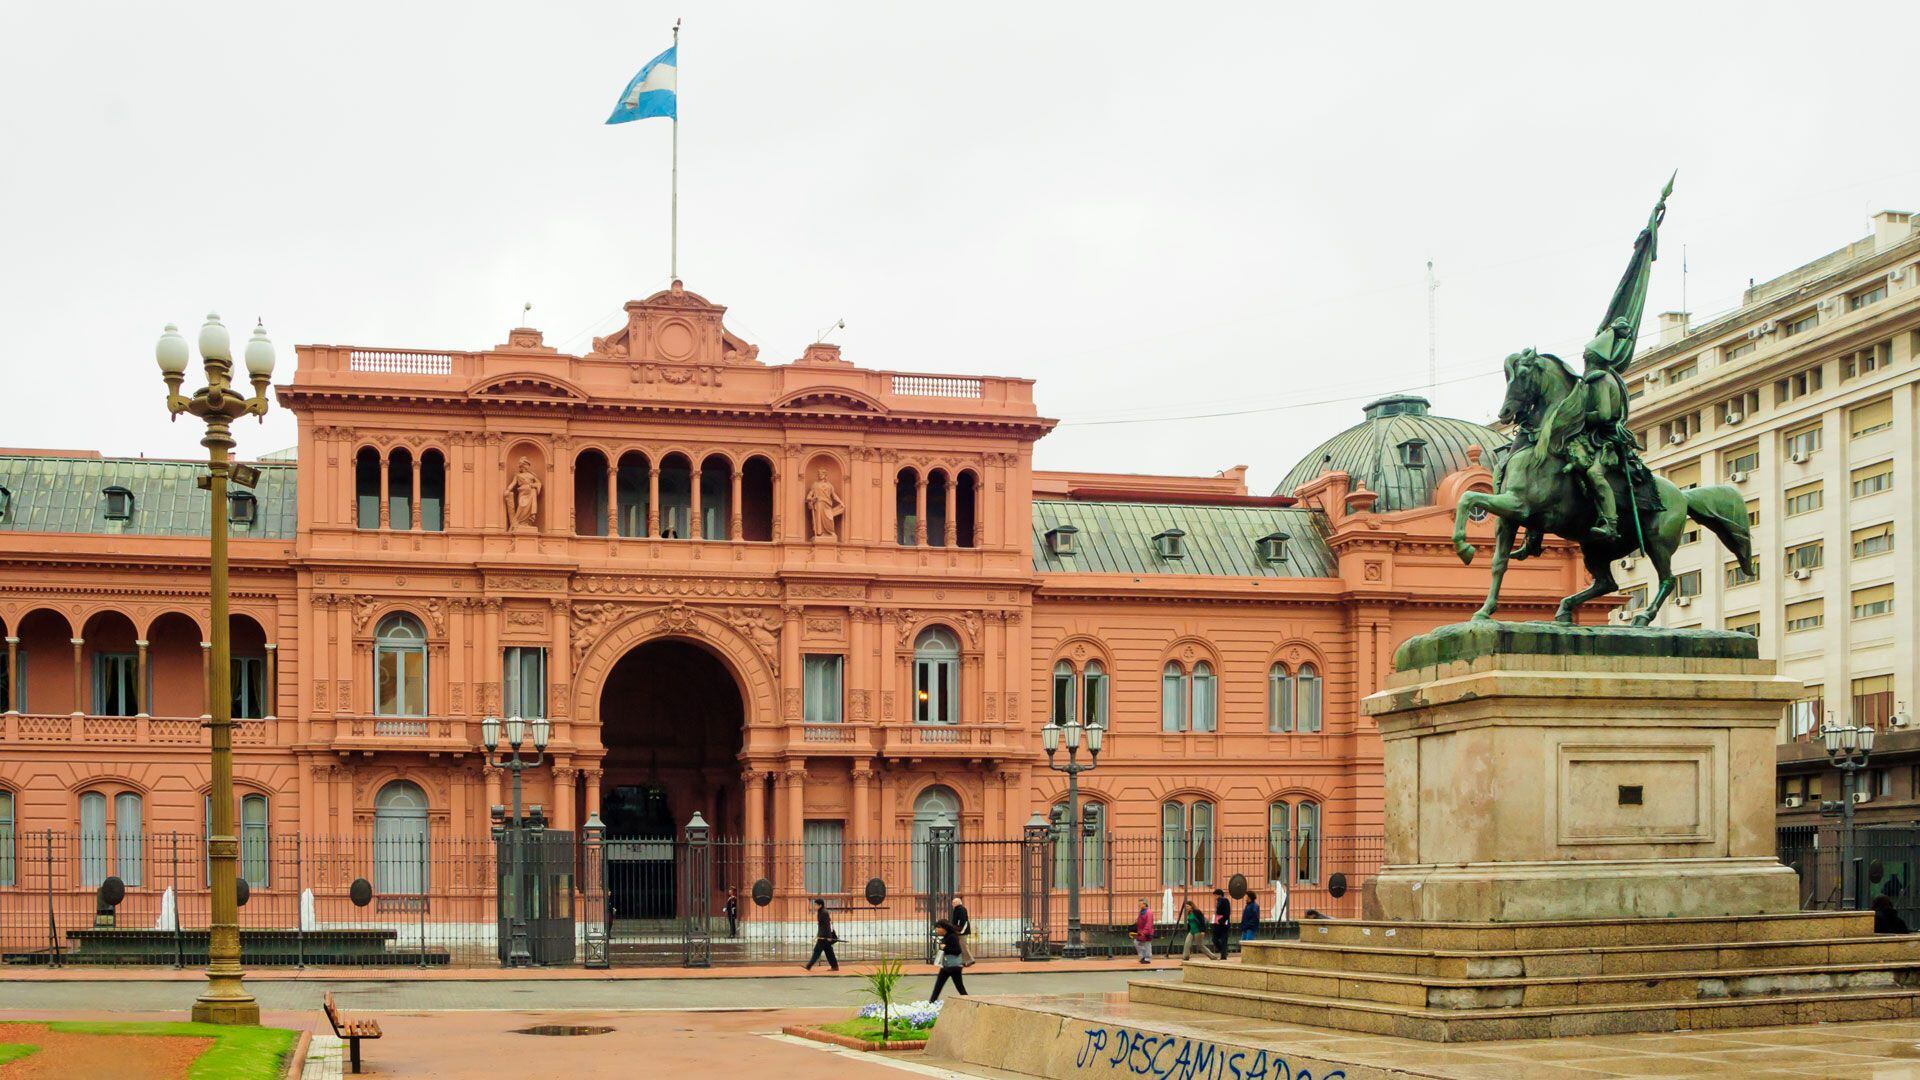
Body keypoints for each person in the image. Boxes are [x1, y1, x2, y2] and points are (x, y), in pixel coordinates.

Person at [930, 918, 969, 1001]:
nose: (936, 929)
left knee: (960, 988)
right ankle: (931, 1002)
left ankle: (970, 1002)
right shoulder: (947, 936)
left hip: (954, 967)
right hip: (947, 966)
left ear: (944, 928)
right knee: (938, 986)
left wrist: (945, 948)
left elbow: (957, 951)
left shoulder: (952, 936)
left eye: (938, 927)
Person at [804, 898, 839, 971]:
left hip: (824, 937)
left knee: (817, 951)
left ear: (820, 905)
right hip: (823, 936)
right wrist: (818, 935)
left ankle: (809, 966)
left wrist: (828, 936)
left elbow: (827, 925)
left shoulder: (824, 913)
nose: (814, 906)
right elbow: (821, 925)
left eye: (816, 905)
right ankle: (835, 966)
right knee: (829, 952)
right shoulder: (820, 912)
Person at [949, 894, 974, 967]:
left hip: (962, 931)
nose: (952, 904)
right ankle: (963, 961)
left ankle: (970, 960)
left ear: (957, 903)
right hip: (959, 930)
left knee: (963, 946)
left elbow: (963, 921)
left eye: (953, 903)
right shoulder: (957, 909)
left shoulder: (961, 909)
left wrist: (959, 930)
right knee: (960, 946)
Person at [1131, 898, 1155, 964]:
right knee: (1137, 942)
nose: (1139, 905)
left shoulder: (1148, 912)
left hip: (1146, 932)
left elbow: (1149, 923)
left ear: (1144, 904)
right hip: (1141, 932)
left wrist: (1144, 932)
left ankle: (1147, 958)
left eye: (1140, 903)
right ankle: (1143, 957)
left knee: (1147, 945)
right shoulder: (1142, 911)